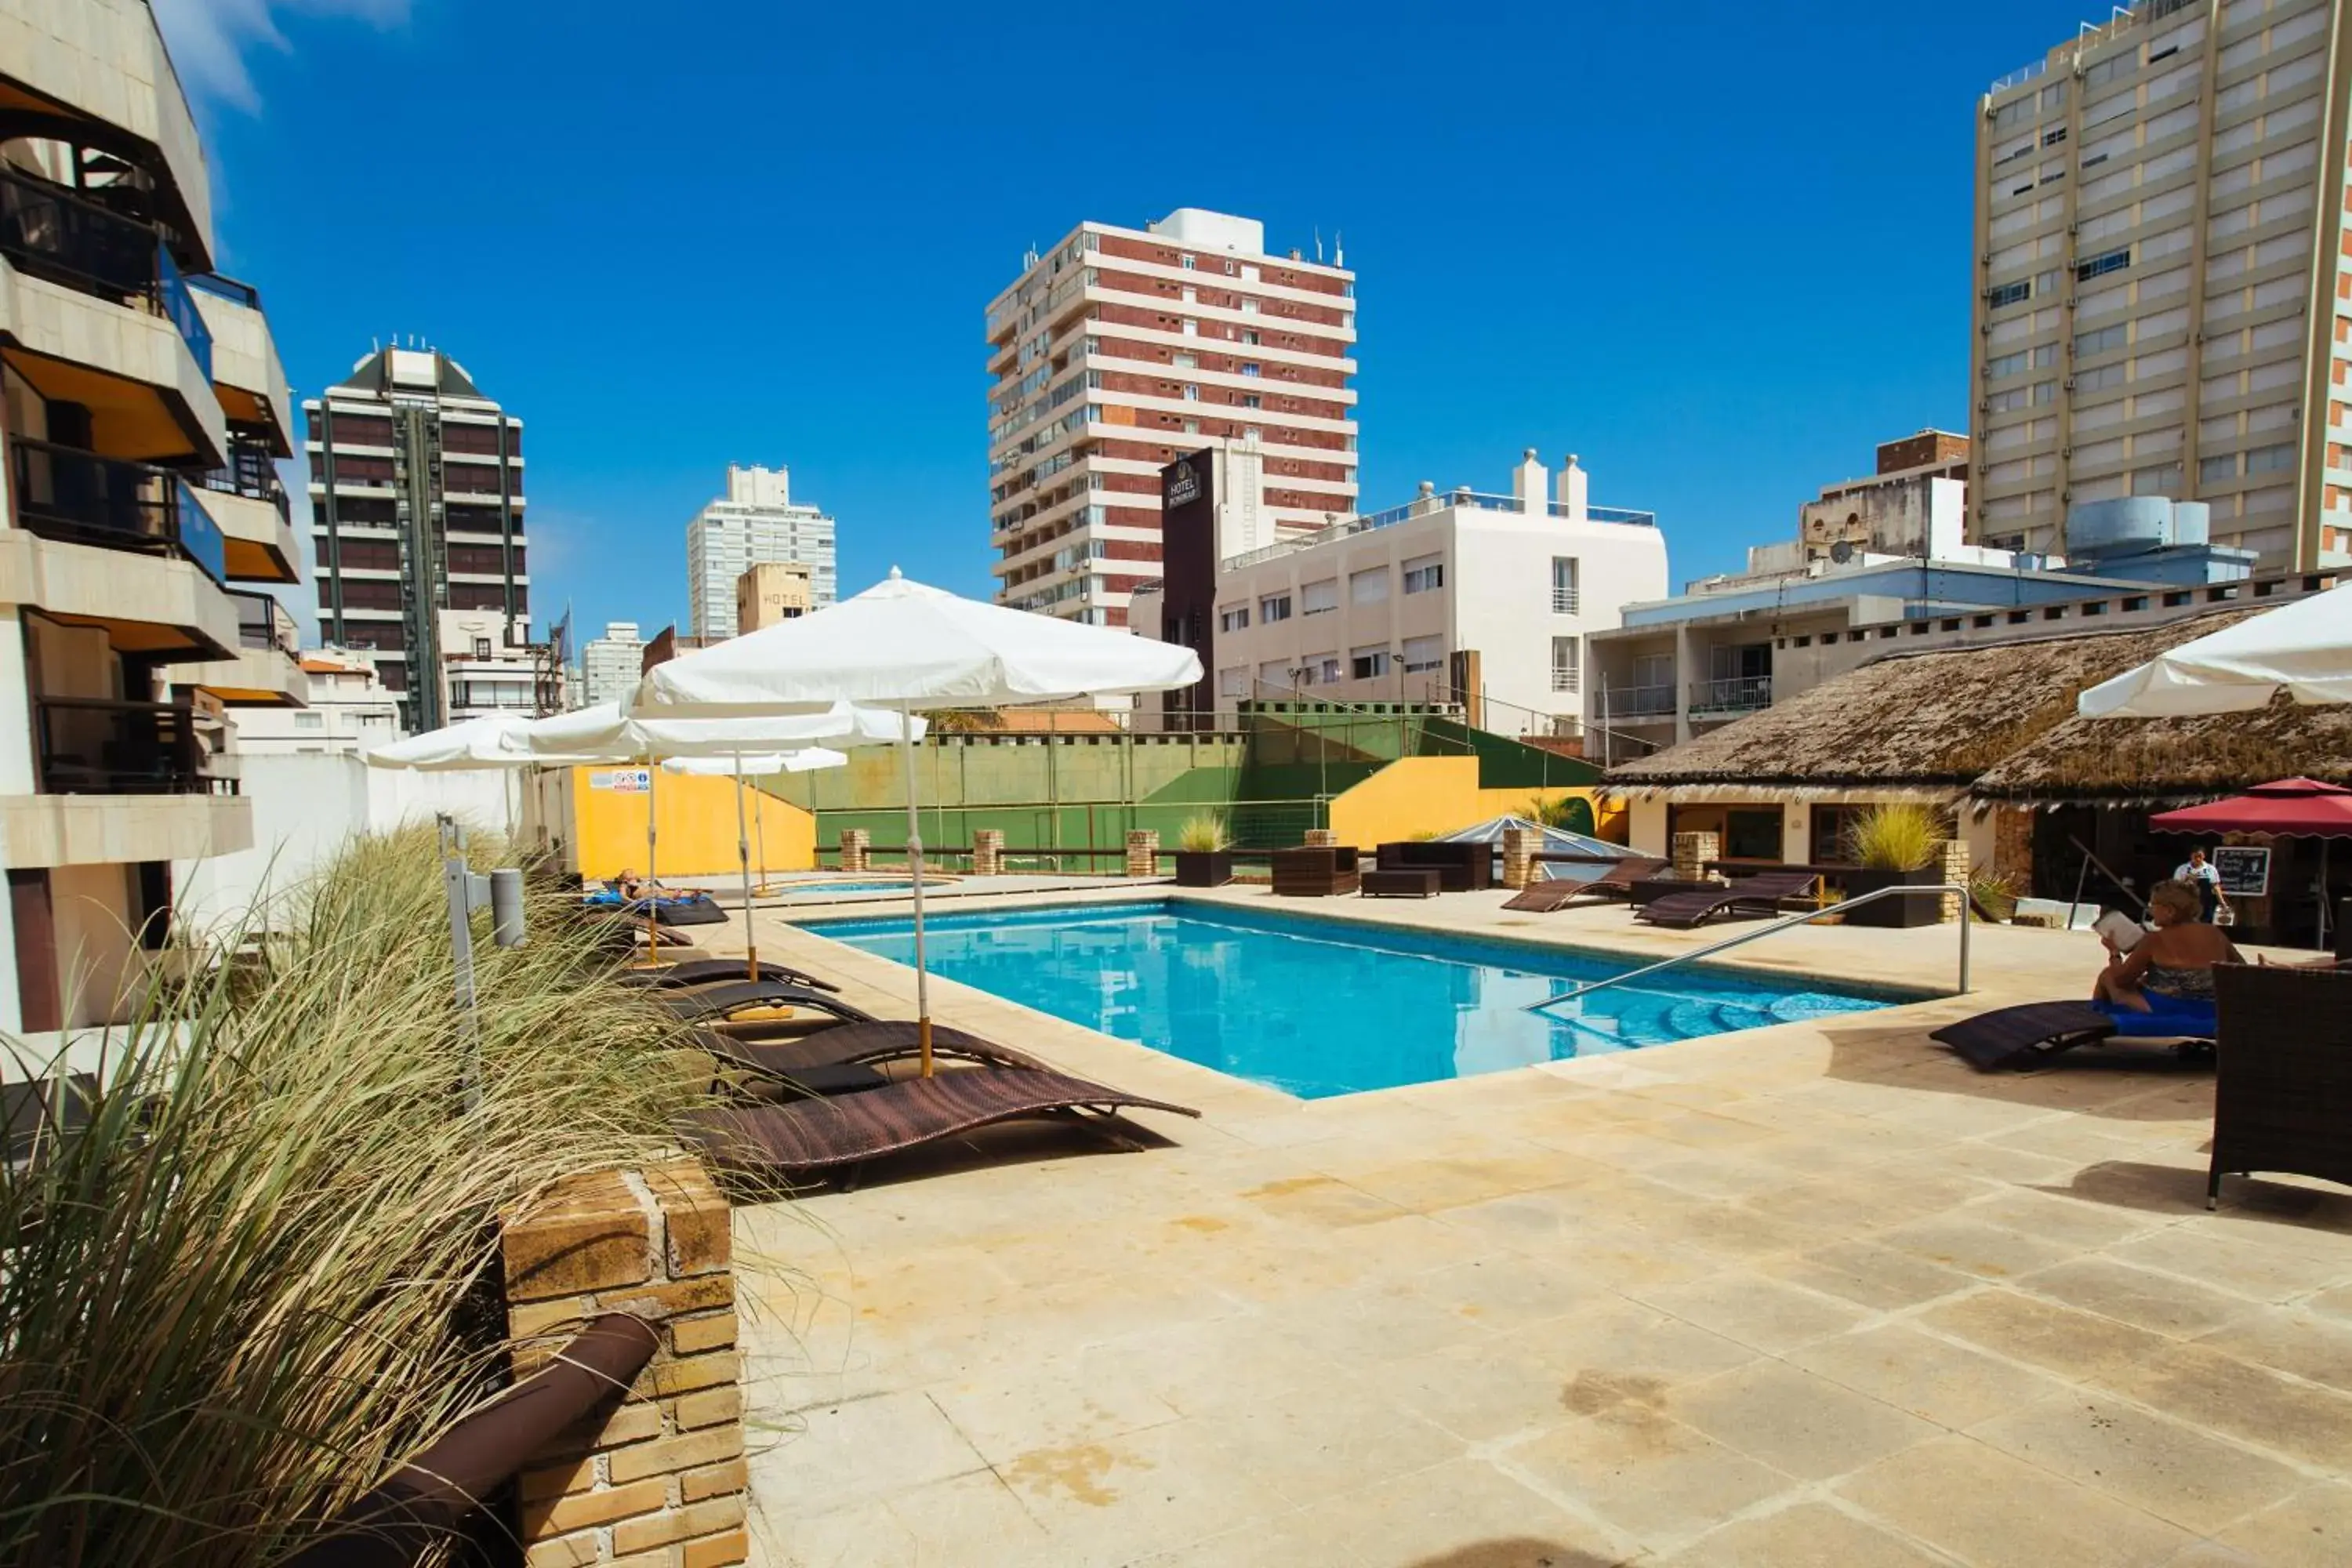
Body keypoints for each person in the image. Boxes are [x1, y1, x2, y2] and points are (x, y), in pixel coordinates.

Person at [2093, 877, 2241, 1026]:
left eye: (2153, 905)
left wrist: (2114, 952)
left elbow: (2121, 980)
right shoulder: (2214, 933)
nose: (2150, 910)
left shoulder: (2155, 939)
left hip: (2162, 1009)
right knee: (2143, 981)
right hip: (2210, 1009)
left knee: (2108, 975)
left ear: (2169, 910)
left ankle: (2095, 1024)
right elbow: (2241, 968)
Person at [2173, 847, 2228, 924]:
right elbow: (2176, 887)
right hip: (2188, 902)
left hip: (2206, 902)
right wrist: (2186, 880)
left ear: (2204, 856)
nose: (2198, 859)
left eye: (2200, 856)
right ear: (2191, 856)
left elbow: (2216, 887)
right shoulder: (2182, 869)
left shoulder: (2210, 869)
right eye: (2195, 856)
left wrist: (2222, 903)